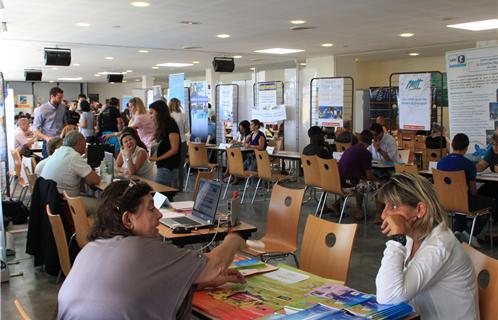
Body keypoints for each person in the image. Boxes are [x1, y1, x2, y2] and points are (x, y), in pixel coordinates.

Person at [57, 180, 246, 319]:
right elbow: (215, 265)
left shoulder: (91, 248)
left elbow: (129, 290)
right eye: (150, 209)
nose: (159, 214)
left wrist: (200, 281)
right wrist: (234, 238)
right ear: (128, 220)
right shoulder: (142, 249)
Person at [375, 173, 477, 320]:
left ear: (420, 209)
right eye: (385, 206)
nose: (384, 215)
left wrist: (397, 239)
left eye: (394, 206)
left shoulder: (440, 245)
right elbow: (387, 286)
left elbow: (388, 297)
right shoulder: (412, 237)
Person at [437, 133, 494, 247]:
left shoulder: (440, 163)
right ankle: (470, 232)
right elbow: (473, 191)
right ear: (467, 147)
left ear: (452, 145)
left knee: (458, 198)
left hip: (444, 201)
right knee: (491, 203)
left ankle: (458, 229)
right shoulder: (468, 164)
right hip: (463, 202)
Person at [40, 131, 101, 215]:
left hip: (51, 200)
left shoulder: (59, 151)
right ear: (79, 142)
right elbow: (95, 180)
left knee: (90, 197)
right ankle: (89, 227)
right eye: (84, 143)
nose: (85, 146)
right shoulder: (73, 156)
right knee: (103, 206)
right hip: (64, 203)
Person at [339, 130, 379, 220]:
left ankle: (359, 211)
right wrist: (379, 181)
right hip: (352, 185)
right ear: (371, 141)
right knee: (380, 187)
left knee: (361, 182)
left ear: (360, 139)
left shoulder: (350, 149)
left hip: (340, 183)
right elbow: (369, 177)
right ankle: (379, 216)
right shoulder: (365, 153)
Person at [149, 100, 180, 188]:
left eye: (152, 113)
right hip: (162, 165)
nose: (150, 116)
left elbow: (174, 149)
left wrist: (158, 158)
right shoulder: (161, 125)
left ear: (159, 112)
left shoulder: (170, 124)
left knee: (161, 193)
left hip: (168, 166)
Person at [33, 87, 66, 158]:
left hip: (60, 141)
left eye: (62, 98)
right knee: (47, 163)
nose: (61, 100)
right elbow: (35, 129)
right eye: (59, 98)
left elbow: (65, 123)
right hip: (49, 142)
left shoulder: (63, 107)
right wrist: (46, 138)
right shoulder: (42, 109)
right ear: (52, 96)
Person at [168, 97, 189, 190]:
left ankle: (172, 185)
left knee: (172, 165)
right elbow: (186, 130)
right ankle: (180, 186)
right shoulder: (183, 115)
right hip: (182, 142)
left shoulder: (168, 116)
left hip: (171, 143)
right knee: (181, 166)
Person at [476, 134, 498, 221]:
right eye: (493, 144)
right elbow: (481, 165)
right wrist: (471, 167)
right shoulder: (491, 152)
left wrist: (493, 168)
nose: (495, 147)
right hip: (493, 183)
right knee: (480, 193)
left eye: (497, 144)